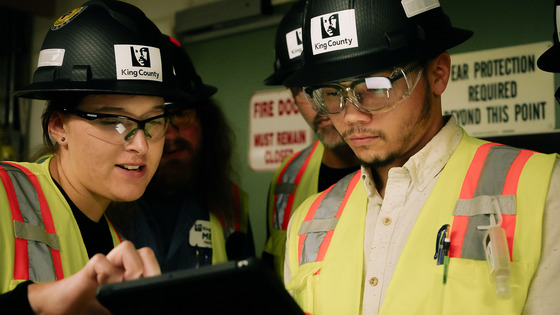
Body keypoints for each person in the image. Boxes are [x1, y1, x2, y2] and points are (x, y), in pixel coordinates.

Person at [282, 0, 560, 314]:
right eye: (332, 93)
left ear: (438, 74)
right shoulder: (307, 222)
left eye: (375, 86)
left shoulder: (543, 189)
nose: (351, 116)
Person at [0, 1, 184, 313]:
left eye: (153, 121)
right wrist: (40, 303)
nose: (141, 144)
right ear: (59, 126)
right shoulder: (5, 193)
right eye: (115, 121)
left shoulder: (119, 248)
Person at [107, 36, 254, 272]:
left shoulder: (230, 201)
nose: (172, 134)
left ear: (205, 120)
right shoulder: (96, 200)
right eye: (155, 120)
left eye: (182, 114)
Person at [262, 0, 360, 278]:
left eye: (331, 84)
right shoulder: (286, 178)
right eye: (303, 89)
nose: (319, 103)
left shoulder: (401, 168)